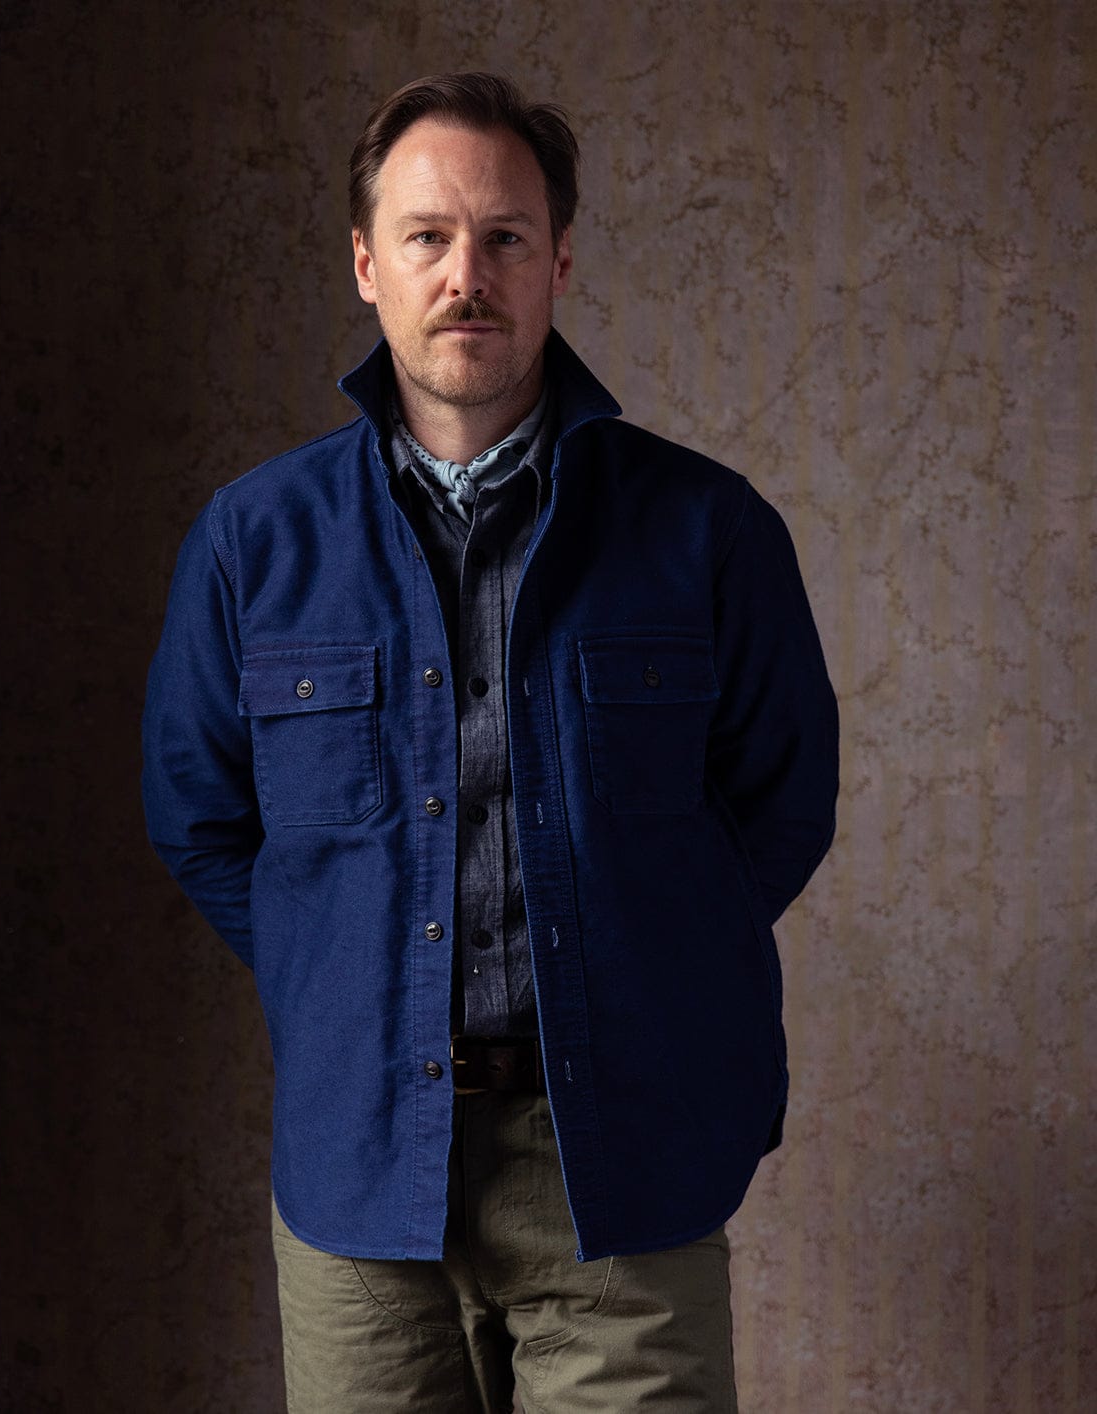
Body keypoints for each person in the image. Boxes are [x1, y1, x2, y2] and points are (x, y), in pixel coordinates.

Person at [142, 71, 838, 1413]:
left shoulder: (710, 533)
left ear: (560, 260)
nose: (469, 273)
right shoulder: (251, 542)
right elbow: (201, 818)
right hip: (360, 1171)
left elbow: (780, 801)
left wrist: (646, 957)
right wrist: (341, 970)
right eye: (427, 237)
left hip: (622, 1168)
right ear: (365, 264)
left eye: (506, 237)